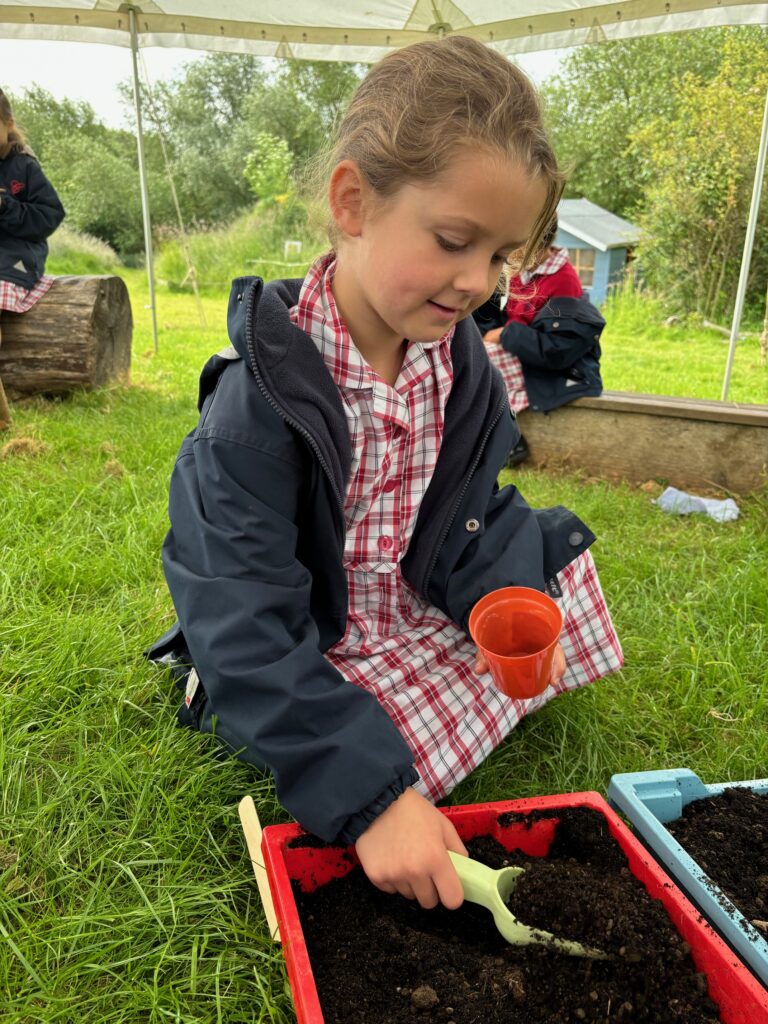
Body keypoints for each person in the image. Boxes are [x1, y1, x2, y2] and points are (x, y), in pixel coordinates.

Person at [149, 36, 623, 913]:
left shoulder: (463, 370)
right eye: (452, 241)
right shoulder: (258, 410)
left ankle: (403, 744)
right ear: (354, 200)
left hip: (402, 608)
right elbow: (238, 604)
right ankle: (362, 771)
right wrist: (373, 798)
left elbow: (462, 515)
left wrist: (496, 593)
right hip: (304, 637)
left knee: (565, 580)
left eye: (501, 257)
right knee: (355, 747)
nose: (477, 282)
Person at [473, 217, 605, 466]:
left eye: (518, 244)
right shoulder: (522, 271)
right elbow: (504, 316)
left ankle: (508, 438)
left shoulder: (562, 280)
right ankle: (493, 436)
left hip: (552, 367)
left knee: (480, 366)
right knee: (469, 355)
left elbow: (558, 349)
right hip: (521, 352)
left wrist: (504, 335)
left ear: (536, 244)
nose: (511, 252)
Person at [0, 88, 65, 424]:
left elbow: (51, 215)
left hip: (17, 259)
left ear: (7, 124)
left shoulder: (24, 167)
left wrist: (5, 207)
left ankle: (2, 416)